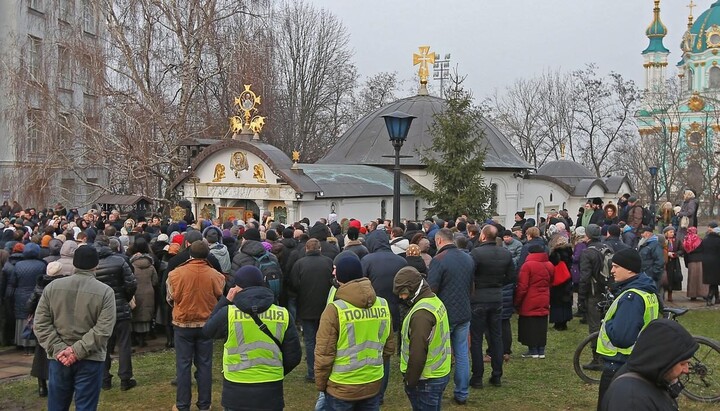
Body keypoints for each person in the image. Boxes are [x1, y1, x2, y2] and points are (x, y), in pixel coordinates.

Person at [202, 266, 301, 411]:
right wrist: (274, 370)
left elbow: (208, 331)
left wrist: (225, 301)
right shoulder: (283, 314)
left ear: (238, 287)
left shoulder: (229, 313)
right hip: (271, 386)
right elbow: (294, 356)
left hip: (236, 386)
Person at [33, 245, 116, 411]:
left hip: (62, 356)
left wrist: (64, 350)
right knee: (85, 406)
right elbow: (103, 329)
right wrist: (70, 351)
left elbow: (40, 324)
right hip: (86, 357)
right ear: (96, 265)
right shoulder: (105, 291)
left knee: (57, 405)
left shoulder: (53, 287)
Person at [315, 256, 394, 410]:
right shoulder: (383, 304)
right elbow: (389, 346)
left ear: (342, 276)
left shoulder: (335, 310)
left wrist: (321, 384)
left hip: (342, 386)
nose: (332, 272)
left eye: (335, 269)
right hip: (373, 381)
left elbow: (324, 354)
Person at [596, 248, 660, 409]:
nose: (612, 271)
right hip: (634, 360)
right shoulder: (646, 289)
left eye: (616, 266)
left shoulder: (632, 297)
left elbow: (622, 337)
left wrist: (608, 321)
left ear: (630, 269)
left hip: (619, 363)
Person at [167, 240, 226, 411]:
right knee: (205, 364)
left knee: (183, 365)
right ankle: (204, 404)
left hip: (182, 323)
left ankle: (182, 405)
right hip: (206, 324)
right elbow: (219, 297)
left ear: (190, 254)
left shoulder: (175, 274)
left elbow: (170, 298)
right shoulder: (216, 275)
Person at [600, 319, 699, 411]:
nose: (686, 370)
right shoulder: (631, 401)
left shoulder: (653, 377)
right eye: (682, 364)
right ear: (663, 359)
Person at [427, 228, 474, 405]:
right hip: (464, 311)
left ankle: (436, 391)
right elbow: (471, 287)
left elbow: (431, 289)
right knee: (462, 354)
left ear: (439, 241)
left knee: (441, 354)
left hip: (444, 314)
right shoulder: (468, 258)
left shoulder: (438, 261)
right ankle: (462, 392)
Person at [394, 266, 451, 410]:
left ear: (413, 288)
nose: (401, 297)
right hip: (438, 373)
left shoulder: (421, 315)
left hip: (425, 380)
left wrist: (410, 381)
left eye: (403, 293)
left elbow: (418, 353)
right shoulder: (433, 301)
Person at [469, 224, 514, 388]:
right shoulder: (505, 253)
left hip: (479, 298)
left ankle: (477, 377)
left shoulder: (476, 253)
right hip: (496, 297)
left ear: (483, 236)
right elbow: (511, 276)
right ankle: (497, 375)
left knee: (476, 339)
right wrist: (498, 284)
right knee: (496, 337)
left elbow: (470, 275)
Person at [94, 235, 137, 391]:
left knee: (103, 345)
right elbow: (131, 283)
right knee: (124, 344)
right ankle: (125, 378)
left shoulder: (92, 264)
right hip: (120, 307)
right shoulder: (119, 261)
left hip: (101, 310)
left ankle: (105, 378)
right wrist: (125, 297)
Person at [514, 244, 554, 358]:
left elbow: (522, 286)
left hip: (529, 299)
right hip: (544, 297)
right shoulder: (549, 265)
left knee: (529, 325)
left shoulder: (527, 266)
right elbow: (551, 281)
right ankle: (541, 349)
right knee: (541, 324)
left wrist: (517, 302)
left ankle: (532, 350)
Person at [548, 236, 573, 331]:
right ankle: (565, 321)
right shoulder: (569, 251)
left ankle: (558, 323)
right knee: (566, 302)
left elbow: (552, 263)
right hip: (567, 278)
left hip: (558, 280)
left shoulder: (555, 253)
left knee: (557, 303)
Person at [637, 226, 664, 300]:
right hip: (644, 274)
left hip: (651, 276)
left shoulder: (655, 245)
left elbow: (660, 261)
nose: (641, 235)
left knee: (654, 296)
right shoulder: (643, 244)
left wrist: (654, 273)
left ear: (648, 234)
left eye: (643, 233)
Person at [680, 226, 707, 301]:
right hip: (700, 260)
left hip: (691, 261)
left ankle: (692, 295)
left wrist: (686, 263)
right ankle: (703, 293)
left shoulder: (686, 240)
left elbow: (685, 253)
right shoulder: (700, 240)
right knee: (701, 278)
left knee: (692, 279)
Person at [701, 225, 720, 306]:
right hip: (716, 262)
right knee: (714, 281)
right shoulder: (718, 240)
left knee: (713, 281)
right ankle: (709, 298)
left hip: (706, 262)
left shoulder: (705, 240)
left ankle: (717, 298)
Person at [662, 226, 682, 303]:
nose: (672, 234)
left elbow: (681, 250)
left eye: (673, 232)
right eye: (670, 232)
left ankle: (670, 293)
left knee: (672, 277)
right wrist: (667, 254)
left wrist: (675, 254)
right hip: (665, 262)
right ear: (666, 233)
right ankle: (663, 293)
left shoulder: (676, 241)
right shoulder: (663, 241)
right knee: (665, 278)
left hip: (674, 262)